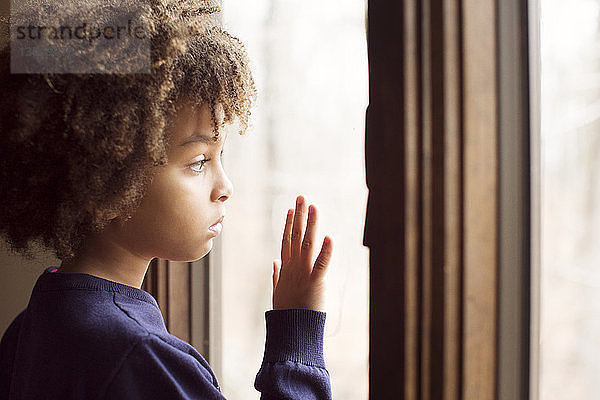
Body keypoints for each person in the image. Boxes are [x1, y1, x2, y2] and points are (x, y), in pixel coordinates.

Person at [0, 1, 334, 399]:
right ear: (106, 177)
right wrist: (297, 334)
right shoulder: (139, 355)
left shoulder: (33, 326)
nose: (225, 186)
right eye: (198, 162)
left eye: (220, 157)